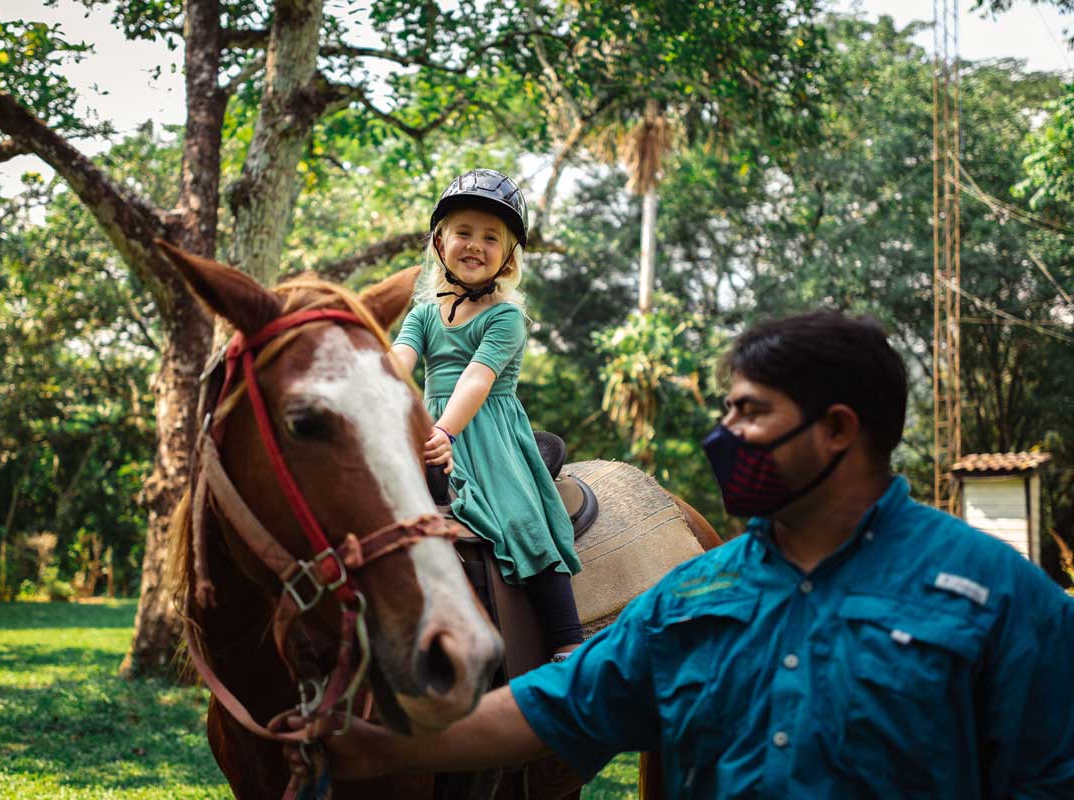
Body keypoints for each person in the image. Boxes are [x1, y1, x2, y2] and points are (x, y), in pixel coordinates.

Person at [313, 311, 1074, 797]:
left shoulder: (998, 596)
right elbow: (554, 706)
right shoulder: (695, 595)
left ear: (839, 430)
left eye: (750, 412)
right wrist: (369, 751)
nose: (724, 434)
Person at [392, 168, 583, 660]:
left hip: (486, 431)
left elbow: (477, 380)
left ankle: (566, 637)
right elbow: (398, 366)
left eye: (490, 238)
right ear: (439, 240)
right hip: (432, 429)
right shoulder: (423, 314)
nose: (474, 245)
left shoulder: (505, 316)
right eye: (463, 232)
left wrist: (443, 431)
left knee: (521, 520)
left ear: (508, 256)